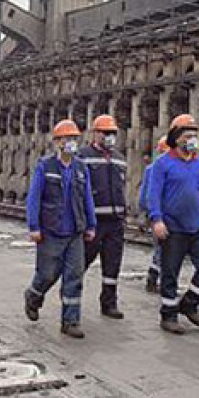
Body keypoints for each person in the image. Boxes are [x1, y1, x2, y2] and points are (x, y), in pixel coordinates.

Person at [24, 119, 97, 339]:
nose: (71, 142)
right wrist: (33, 226)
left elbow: (87, 199)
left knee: (74, 276)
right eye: (67, 139)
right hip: (51, 231)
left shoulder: (80, 167)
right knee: (47, 274)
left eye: (74, 138)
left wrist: (91, 224)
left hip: (74, 231)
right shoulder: (46, 166)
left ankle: (70, 321)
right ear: (57, 142)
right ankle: (33, 296)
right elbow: (34, 197)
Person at [145, 114, 199, 335]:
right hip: (172, 228)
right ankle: (168, 315)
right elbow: (153, 194)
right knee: (170, 272)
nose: (192, 140)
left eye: (195, 135)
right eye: (188, 136)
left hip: (197, 227)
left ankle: (190, 303)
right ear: (176, 138)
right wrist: (156, 220)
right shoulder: (162, 164)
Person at [79, 114, 127, 319]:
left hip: (115, 221)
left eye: (113, 133)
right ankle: (71, 297)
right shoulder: (83, 156)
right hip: (94, 222)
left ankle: (109, 303)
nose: (110, 136)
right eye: (106, 133)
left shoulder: (119, 158)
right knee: (82, 262)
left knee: (112, 264)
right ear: (95, 133)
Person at [140, 135, 170, 293]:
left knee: (164, 249)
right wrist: (148, 215)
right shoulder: (152, 170)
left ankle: (155, 278)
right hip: (159, 215)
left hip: (166, 215)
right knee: (162, 248)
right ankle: (153, 279)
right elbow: (146, 194)